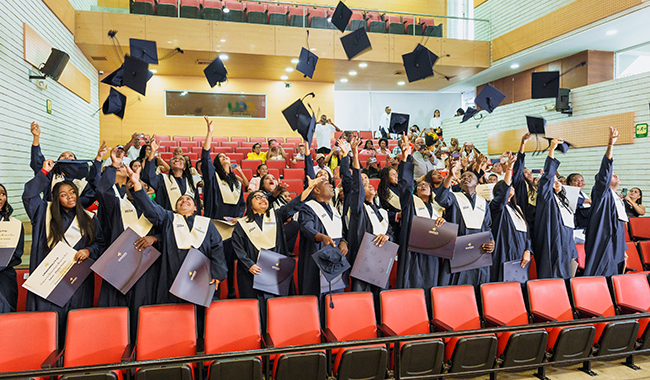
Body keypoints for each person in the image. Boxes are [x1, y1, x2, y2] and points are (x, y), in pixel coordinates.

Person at [23, 159, 105, 348]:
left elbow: (100, 244)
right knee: (48, 328)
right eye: (63, 194)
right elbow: (29, 195)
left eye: (72, 193)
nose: (69, 197)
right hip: (49, 279)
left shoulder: (90, 219)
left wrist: (88, 250)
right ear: (55, 197)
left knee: (75, 326)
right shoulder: (44, 213)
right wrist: (44, 172)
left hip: (76, 282)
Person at [127, 165, 227, 304]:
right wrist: (137, 184)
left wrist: (218, 273)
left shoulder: (206, 223)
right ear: (175, 207)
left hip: (202, 274)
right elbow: (151, 209)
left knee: (199, 314)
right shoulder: (169, 218)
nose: (184, 201)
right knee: (173, 311)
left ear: (195, 207)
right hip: (172, 272)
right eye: (180, 200)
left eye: (189, 200)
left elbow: (217, 249)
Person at [95, 147, 160, 341]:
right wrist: (114, 164)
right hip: (120, 262)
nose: (138, 188)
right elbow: (102, 190)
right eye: (133, 185)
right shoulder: (117, 204)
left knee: (142, 307)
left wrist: (155, 238)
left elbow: (166, 232)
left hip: (146, 266)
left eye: (143, 187)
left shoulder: (155, 210)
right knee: (118, 308)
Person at [231, 177, 322, 312]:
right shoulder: (242, 224)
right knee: (256, 309)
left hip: (275, 270)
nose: (263, 199)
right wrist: (248, 264)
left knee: (278, 307)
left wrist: (309, 188)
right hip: (253, 273)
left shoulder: (276, 215)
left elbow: (294, 204)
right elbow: (238, 247)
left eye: (264, 197)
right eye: (257, 197)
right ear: (250, 204)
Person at [202, 117, 247, 299]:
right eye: (220, 157)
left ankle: (233, 294)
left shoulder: (236, 183)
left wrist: (238, 218)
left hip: (233, 227)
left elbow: (241, 204)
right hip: (216, 227)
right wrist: (210, 133)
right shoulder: (213, 178)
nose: (225, 157)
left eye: (226, 156)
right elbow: (205, 159)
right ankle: (216, 296)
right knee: (217, 264)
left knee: (233, 263)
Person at [394, 134, 446, 290]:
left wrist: (443, 223)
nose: (424, 186)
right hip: (413, 251)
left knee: (431, 284)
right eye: (420, 185)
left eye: (427, 186)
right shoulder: (410, 203)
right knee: (411, 282)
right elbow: (404, 184)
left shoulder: (438, 209)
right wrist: (406, 157)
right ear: (415, 191)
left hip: (432, 254)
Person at [346, 137, 393, 299]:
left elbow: (391, 231)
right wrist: (354, 155)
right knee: (362, 296)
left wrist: (387, 236)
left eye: (371, 184)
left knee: (382, 296)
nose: (370, 186)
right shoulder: (359, 209)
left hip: (382, 257)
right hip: (365, 257)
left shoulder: (382, 211)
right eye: (366, 185)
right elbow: (357, 187)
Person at [436, 158, 495, 287]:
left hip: (479, 250)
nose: (465, 178)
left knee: (477, 284)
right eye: (463, 176)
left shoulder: (483, 202)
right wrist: (451, 175)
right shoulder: (454, 197)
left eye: (470, 176)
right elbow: (441, 198)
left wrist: (491, 241)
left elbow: (488, 225)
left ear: (477, 182)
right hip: (458, 248)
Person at [584, 127, 629, 277]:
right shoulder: (602, 194)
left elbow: (621, 226)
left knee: (615, 276)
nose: (615, 175)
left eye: (616, 174)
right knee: (600, 275)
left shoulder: (618, 199)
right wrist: (611, 145)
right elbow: (604, 173)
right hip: (604, 242)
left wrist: (623, 250)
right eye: (612, 174)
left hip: (616, 246)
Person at [532, 138, 578, 279]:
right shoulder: (546, 199)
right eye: (554, 182)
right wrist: (552, 149)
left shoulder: (564, 201)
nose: (557, 183)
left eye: (558, 182)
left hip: (566, 242)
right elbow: (548, 176)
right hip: (553, 241)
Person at [298, 171, 349, 297]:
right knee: (316, 294)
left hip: (335, 258)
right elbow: (306, 227)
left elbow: (340, 232)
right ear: (317, 190)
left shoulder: (335, 210)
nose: (332, 186)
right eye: (327, 184)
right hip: (316, 256)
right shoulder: (308, 208)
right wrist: (322, 237)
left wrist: (343, 242)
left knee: (335, 296)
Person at [29, 121, 101, 209]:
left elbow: (90, 197)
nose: (66, 157)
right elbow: (38, 162)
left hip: (76, 215)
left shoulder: (83, 179)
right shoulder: (52, 176)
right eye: (63, 156)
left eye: (70, 156)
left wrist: (70, 202)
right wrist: (36, 137)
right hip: (52, 213)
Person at [489, 153, 532, 282]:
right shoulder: (496, 206)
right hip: (504, 249)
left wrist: (528, 249)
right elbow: (503, 192)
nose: (510, 188)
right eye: (507, 187)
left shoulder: (517, 209)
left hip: (520, 251)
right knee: (502, 282)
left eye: (511, 187)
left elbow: (527, 232)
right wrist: (509, 168)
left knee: (519, 283)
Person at [142, 140, 201, 214]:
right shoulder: (162, 179)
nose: (177, 159)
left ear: (185, 167)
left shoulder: (192, 184)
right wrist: (152, 153)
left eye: (181, 159)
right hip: (168, 220)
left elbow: (197, 206)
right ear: (170, 165)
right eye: (174, 159)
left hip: (187, 221)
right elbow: (148, 177)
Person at [0, 184, 24, 313]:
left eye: (3, 194)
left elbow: (17, 254)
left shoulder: (14, 224)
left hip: (5, 276)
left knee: (6, 312)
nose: (0, 198)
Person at [513, 134, 537, 230]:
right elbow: (519, 165)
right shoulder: (520, 183)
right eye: (525, 172)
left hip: (534, 216)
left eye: (530, 172)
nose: (529, 174)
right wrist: (523, 143)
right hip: (525, 214)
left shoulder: (534, 185)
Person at [378, 165, 402, 241]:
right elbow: (381, 212)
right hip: (393, 225)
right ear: (386, 177)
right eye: (393, 175)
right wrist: (396, 215)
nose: (396, 176)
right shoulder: (383, 191)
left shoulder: (401, 188)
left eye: (396, 174)